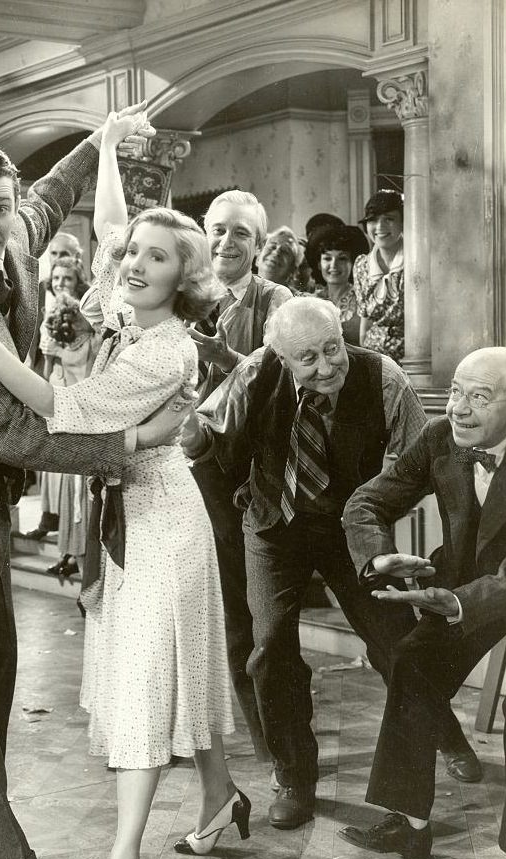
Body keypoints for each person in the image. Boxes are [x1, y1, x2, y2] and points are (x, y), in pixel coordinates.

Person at [0, 108, 247, 859]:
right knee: (184, 670)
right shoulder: (127, 309)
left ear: (187, 278)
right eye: (131, 253)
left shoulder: (164, 351)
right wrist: (100, 145)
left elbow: (60, 408)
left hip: (161, 524)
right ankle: (219, 796)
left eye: (154, 257)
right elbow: (97, 223)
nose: (129, 262)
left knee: (142, 691)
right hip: (124, 513)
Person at [181, 296, 479, 829]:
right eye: (308, 358)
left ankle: (444, 733)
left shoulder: (383, 376)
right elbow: (206, 435)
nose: (326, 367)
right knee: (269, 647)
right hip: (275, 523)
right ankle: (295, 776)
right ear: (282, 356)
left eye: (332, 348)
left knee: (396, 641)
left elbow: (420, 458)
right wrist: (190, 431)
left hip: (353, 528)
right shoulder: (255, 371)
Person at [338, 347, 506, 859]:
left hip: (486, 593)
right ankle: (409, 826)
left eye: (479, 397)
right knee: (411, 662)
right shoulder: (442, 437)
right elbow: (366, 502)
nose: (458, 408)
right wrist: (379, 554)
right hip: (462, 589)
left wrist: (460, 601)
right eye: (456, 391)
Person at [186, 189, 291, 761]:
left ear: (259, 244)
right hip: (186, 474)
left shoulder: (278, 301)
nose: (227, 243)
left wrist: (228, 361)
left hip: (254, 481)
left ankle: (278, 751)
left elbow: (286, 378)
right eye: (218, 230)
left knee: (255, 620)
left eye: (241, 234)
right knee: (207, 612)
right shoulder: (184, 296)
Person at [26, 255, 92, 541]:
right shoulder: (47, 309)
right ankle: (51, 519)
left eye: (67, 278)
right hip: (54, 382)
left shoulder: (87, 314)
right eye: (56, 278)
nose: (61, 283)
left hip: (78, 386)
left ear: (78, 282)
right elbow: (43, 356)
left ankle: (72, 535)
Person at [43, 292, 101, 580]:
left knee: (83, 502)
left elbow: (55, 388)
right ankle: (88, 580)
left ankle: (86, 580)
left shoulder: (64, 350)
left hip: (79, 427)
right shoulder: (94, 341)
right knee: (84, 503)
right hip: (86, 425)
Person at [353, 189, 404, 363]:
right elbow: (365, 319)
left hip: (411, 356)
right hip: (374, 356)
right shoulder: (362, 265)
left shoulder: (415, 262)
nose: (380, 227)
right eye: (373, 220)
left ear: (403, 222)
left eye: (389, 219)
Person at [306, 225, 369, 345]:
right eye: (327, 258)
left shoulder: (363, 299)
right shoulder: (310, 300)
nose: (334, 265)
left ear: (352, 263)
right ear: (319, 264)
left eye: (342, 258)